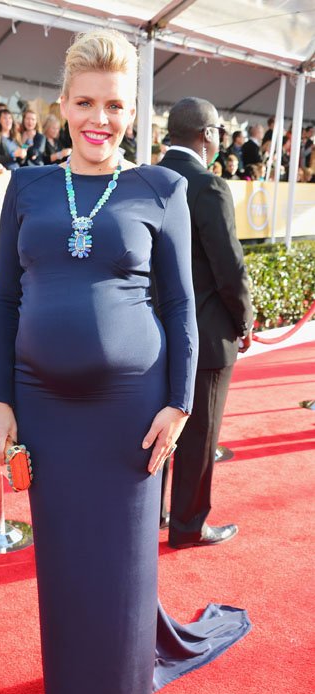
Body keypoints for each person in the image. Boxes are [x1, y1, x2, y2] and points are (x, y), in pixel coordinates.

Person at [0, 30, 251, 694]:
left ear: (134, 112)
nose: (100, 119)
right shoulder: (27, 187)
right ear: (63, 103)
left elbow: (182, 305)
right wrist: (0, 399)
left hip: (132, 415)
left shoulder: (160, 189)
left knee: (123, 571)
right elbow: (4, 301)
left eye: (116, 106)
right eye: (86, 103)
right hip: (45, 413)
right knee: (66, 568)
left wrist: (180, 404)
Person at [158, 96, 254, 549]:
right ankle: (188, 527)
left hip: (154, 334)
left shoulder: (148, 178)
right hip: (207, 335)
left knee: (156, 429)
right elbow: (228, 267)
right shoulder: (209, 186)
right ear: (208, 135)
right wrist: (244, 321)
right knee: (199, 436)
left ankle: (153, 515)